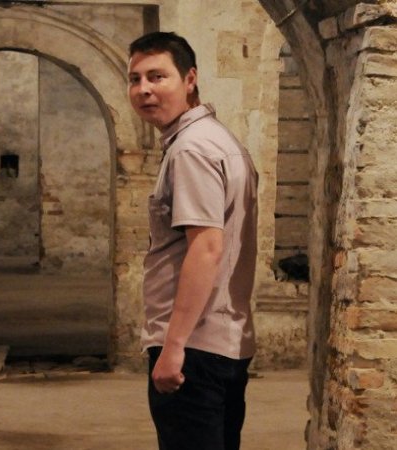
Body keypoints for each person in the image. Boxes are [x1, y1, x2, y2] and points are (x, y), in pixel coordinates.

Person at [127, 31, 258, 450]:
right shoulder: (218, 140)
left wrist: (174, 346)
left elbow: (206, 249)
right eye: (135, 79)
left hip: (194, 349)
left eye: (157, 76)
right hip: (221, 342)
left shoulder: (191, 149)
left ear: (189, 79)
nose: (144, 89)